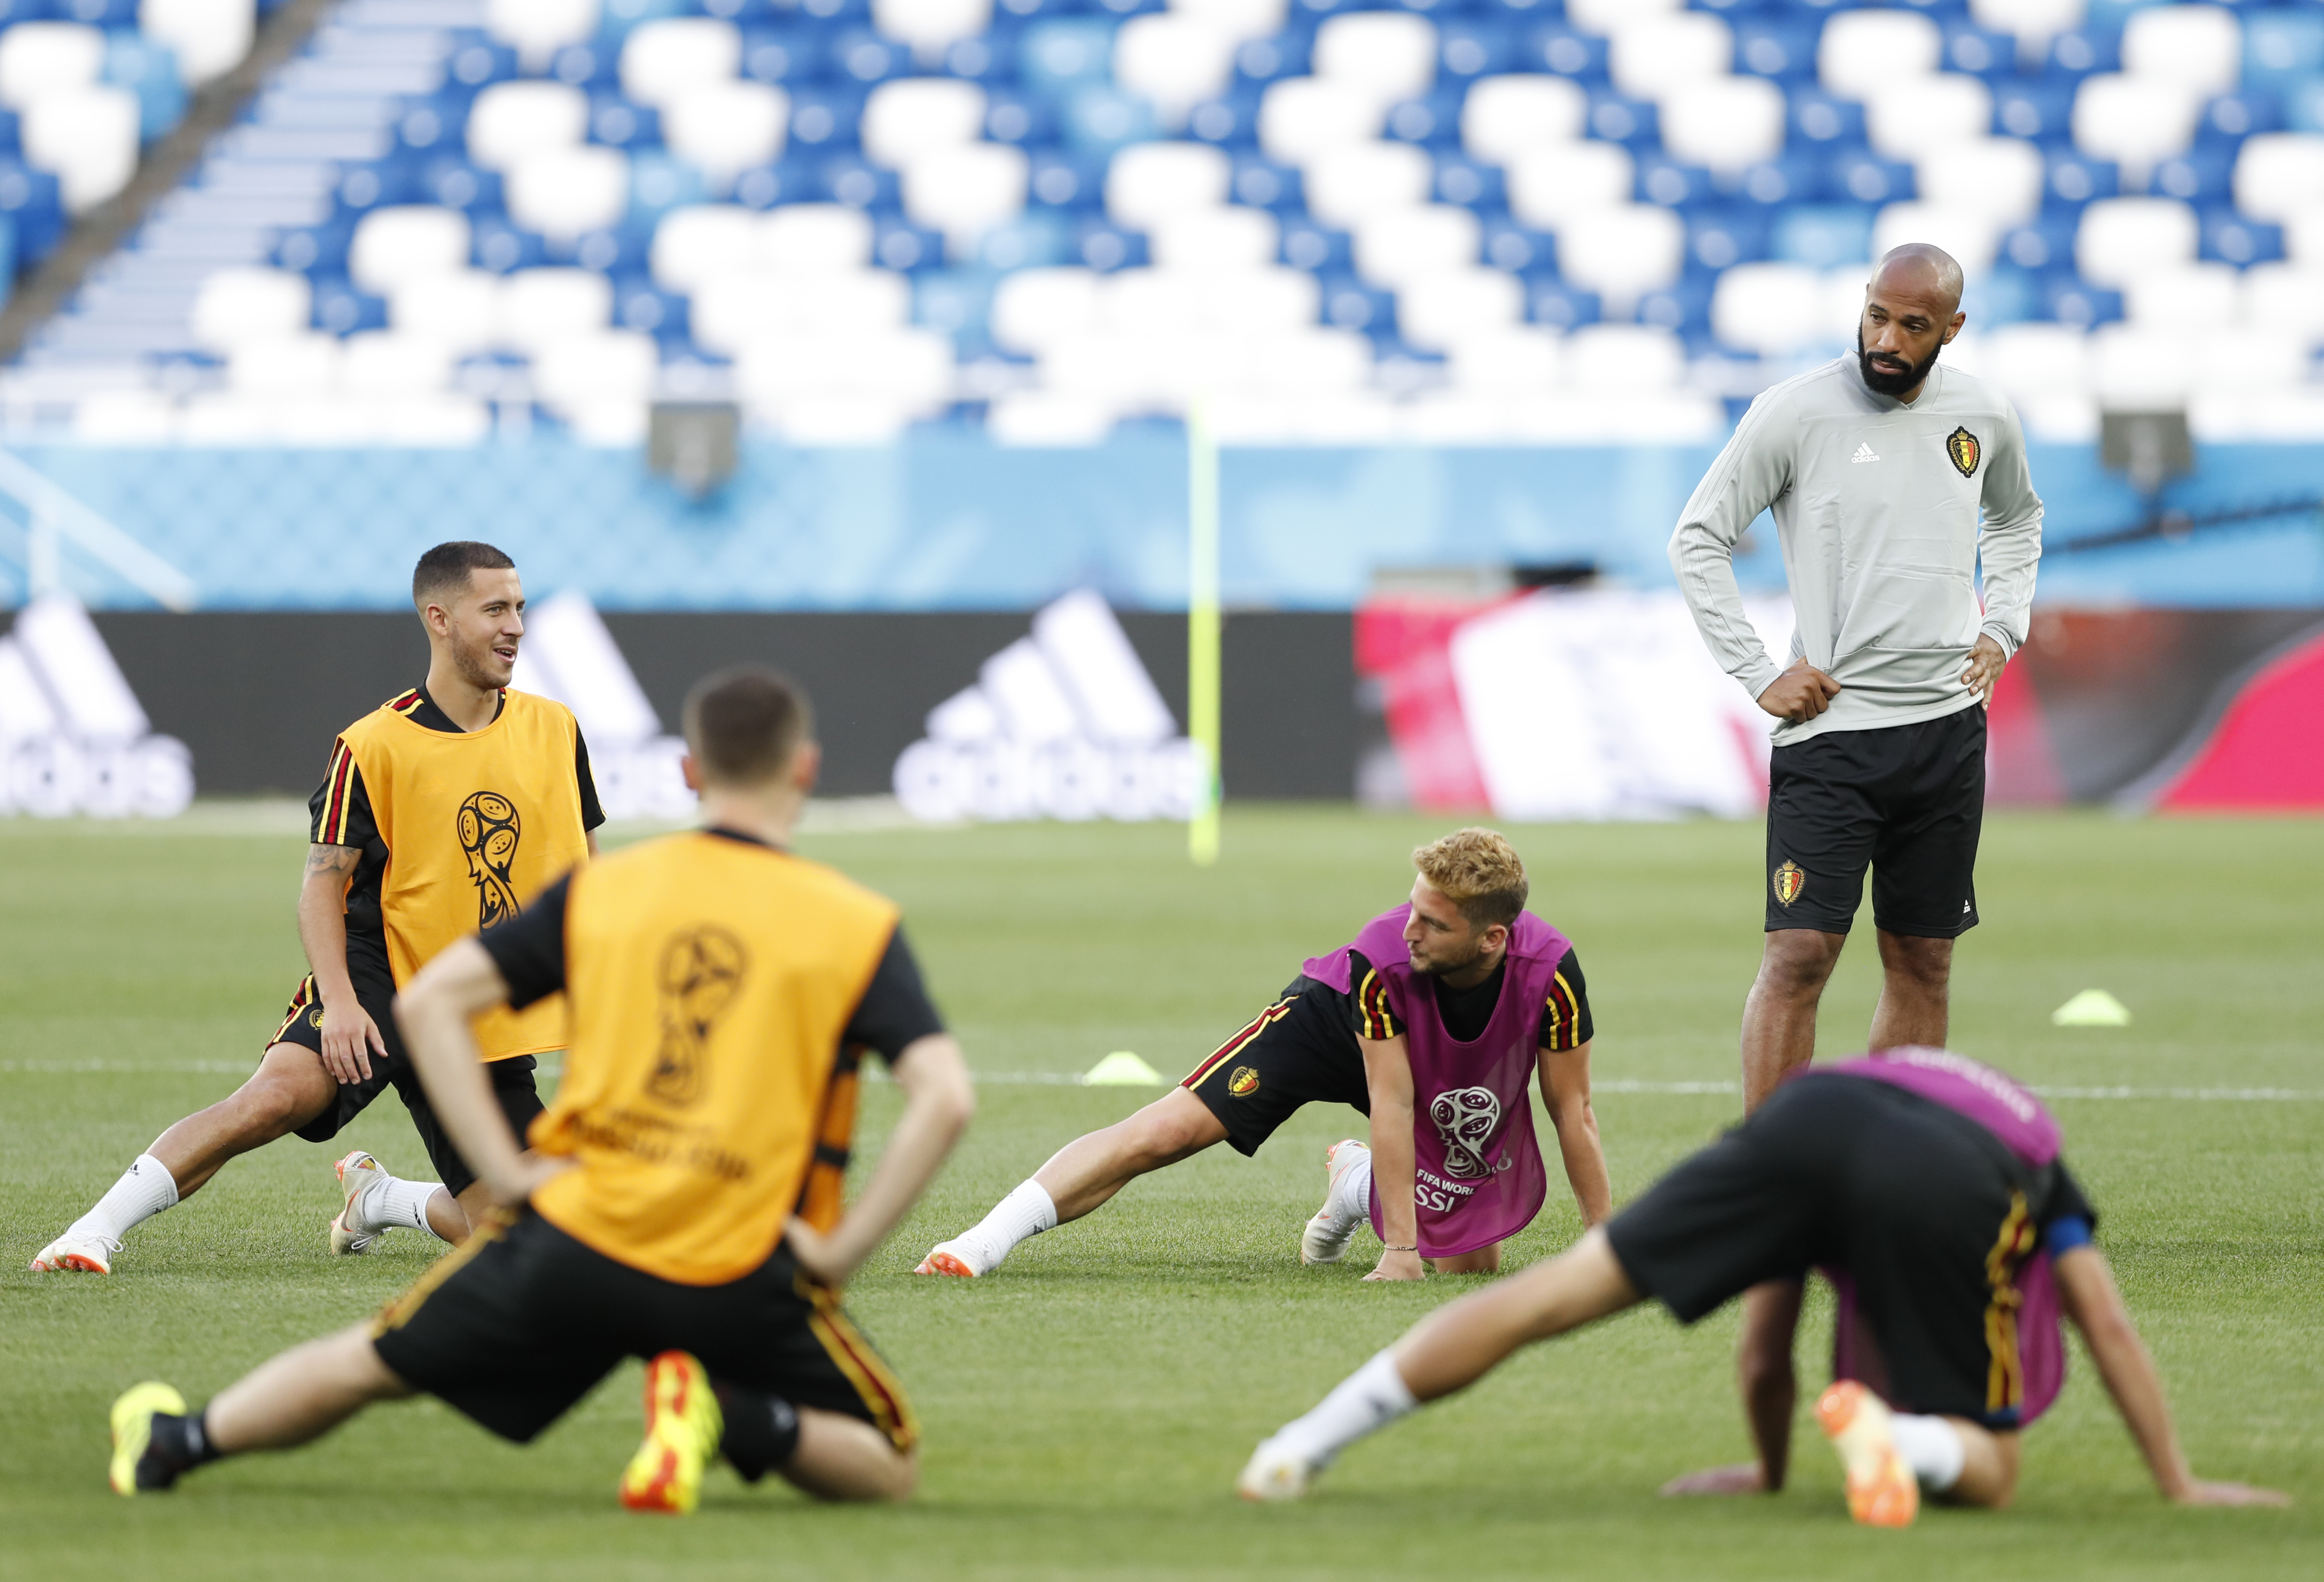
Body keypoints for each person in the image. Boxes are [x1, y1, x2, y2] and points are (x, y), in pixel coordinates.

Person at [107, 666, 976, 1512]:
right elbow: (945, 1097)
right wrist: (839, 1251)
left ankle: (178, 1441)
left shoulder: (608, 893)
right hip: (738, 1248)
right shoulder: (854, 923)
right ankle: (744, 1415)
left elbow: (435, 1001)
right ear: (806, 768)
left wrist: (511, 1173)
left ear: (689, 771)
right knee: (886, 1463)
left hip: (581, 1225)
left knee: (373, 1364)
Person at [1238, 1047, 2286, 1523]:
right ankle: (1905, 1440)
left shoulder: (1865, 1099)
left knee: (1548, 1298)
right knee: (1994, 1467)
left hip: (1804, 1115)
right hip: (1956, 1170)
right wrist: (2178, 1484)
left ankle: (1303, 1443)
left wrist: (1767, 1471)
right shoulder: (2040, 1163)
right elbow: (2103, 1321)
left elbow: (1765, 1340)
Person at [33, 541, 603, 1275]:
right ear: (439, 618)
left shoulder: (556, 728)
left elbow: (587, 871)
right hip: (378, 977)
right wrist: (339, 1003)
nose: (516, 625)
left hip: (473, 1005)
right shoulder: (372, 744)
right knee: (275, 1099)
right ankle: (90, 1231)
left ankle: (381, 1198)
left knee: (536, 1241)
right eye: (495, 608)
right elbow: (321, 887)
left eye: (519, 607)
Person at [1669, 244, 2045, 1110]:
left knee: (1923, 959)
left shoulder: (1983, 413)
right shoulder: (1795, 411)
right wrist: (1757, 670)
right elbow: (1698, 536)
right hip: (1832, 735)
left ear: (1951, 327)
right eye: (1876, 315)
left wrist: (2003, 624)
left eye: (1912, 326)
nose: (1886, 339)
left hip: (1946, 731)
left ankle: (1889, 1158)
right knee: (1798, 956)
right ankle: (1771, 1172)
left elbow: (2017, 518)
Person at [916, 828, 1610, 1283]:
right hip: (1331, 1021)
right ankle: (984, 1240)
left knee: (1472, 1265)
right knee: (1166, 1132)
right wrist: (1399, 1252)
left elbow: (1572, 1111)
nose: (1410, 930)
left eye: (1433, 923)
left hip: (1430, 1059)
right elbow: (1392, 1102)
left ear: (1492, 939)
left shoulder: (1550, 974)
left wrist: (1609, 1251)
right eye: (1411, 909)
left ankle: (1354, 1184)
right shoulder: (1381, 956)